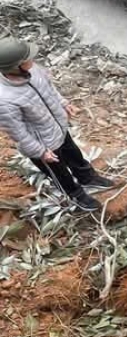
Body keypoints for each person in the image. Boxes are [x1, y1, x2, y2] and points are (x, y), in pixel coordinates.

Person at [0, 38, 111, 210]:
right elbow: (18, 133)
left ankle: (87, 177)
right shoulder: (5, 99)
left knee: (74, 154)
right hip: (43, 146)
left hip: (57, 127)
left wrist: (64, 103)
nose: (33, 59)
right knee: (60, 174)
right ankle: (75, 195)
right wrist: (40, 152)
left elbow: (49, 88)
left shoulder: (33, 70)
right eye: (28, 58)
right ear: (15, 66)